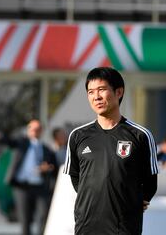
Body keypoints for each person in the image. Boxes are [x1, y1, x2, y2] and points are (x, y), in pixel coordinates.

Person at [64, 67, 159, 235]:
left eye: (101, 90)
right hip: (86, 226)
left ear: (119, 92)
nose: (96, 97)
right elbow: (76, 178)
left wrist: (131, 200)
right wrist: (97, 200)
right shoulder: (77, 136)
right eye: (91, 92)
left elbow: (150, 181)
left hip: (123, 227)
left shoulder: (140, 135)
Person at [0, 120, 58, 235]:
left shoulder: (46, 150)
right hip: (22, 187)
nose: (35, 131)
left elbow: (54, 169)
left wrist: (48, 169)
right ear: (28, 130)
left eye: (37, 129)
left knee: (43, 215)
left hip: (39, 187)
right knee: (25, 219)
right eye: (32, 128)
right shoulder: (22, 143)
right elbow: (9, 141)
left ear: (41, 131)